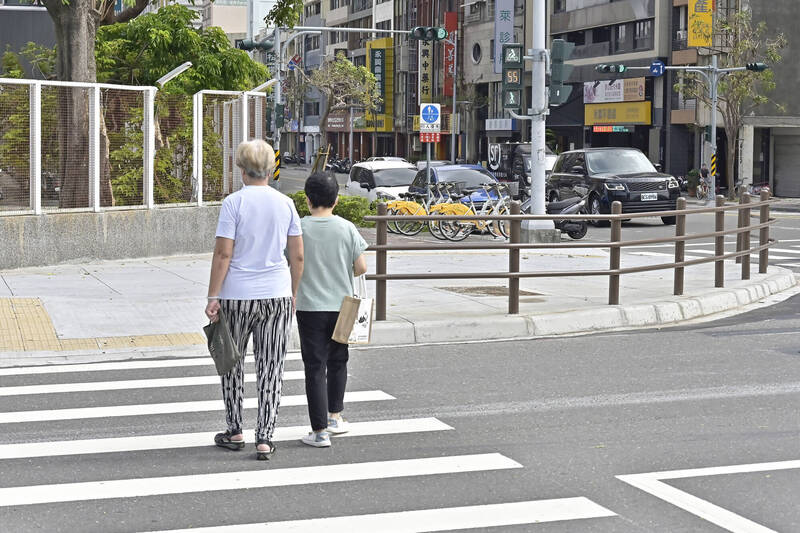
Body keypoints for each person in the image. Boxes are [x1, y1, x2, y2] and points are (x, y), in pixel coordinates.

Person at [205, 139, 304, 461]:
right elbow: (297, 256)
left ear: (241, 167)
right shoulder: (285, 203)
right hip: (276, 296)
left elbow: (223, 253)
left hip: (236, 297)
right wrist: (292, 292)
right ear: (271, 168)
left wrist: (213, 295)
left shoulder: (234, 203)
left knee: (232, 364)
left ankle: (234, 430)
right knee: (271, 366)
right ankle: (265, 436)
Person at [295, 172, 368, 448]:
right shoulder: (346, 228)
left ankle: (319, 431)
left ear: (307, 199)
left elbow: (290, 260)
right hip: (343, 306)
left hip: (310, 307)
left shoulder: (299, 228)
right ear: (337, 200)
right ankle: (335, 417)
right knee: (339, 361)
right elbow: (361, 267)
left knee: (315, 367)